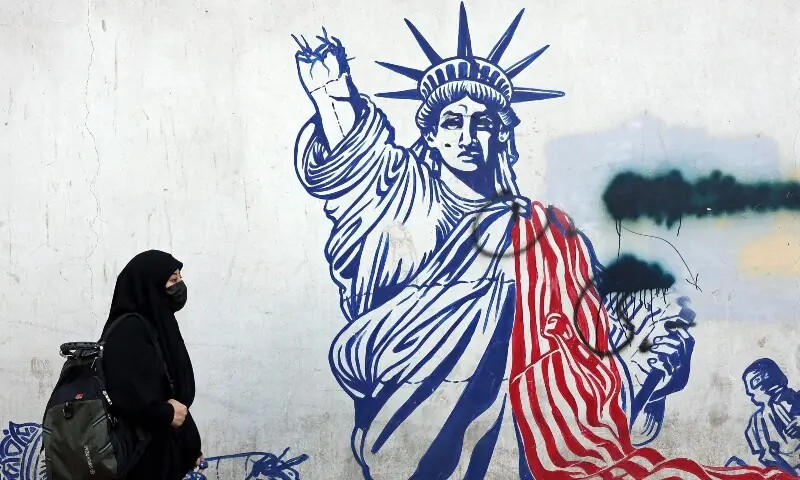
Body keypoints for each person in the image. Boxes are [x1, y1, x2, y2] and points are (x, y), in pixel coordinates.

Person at [101, 250, 204, 479]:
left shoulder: (156, 325)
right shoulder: (130, 331)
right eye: (173, 280)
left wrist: (190, 446)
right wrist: (166, 412)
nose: (179, 286)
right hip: (141, 461)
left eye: (180, 278)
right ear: (150, 284)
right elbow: (127, 396)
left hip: (159, 455)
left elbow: (171, 394)